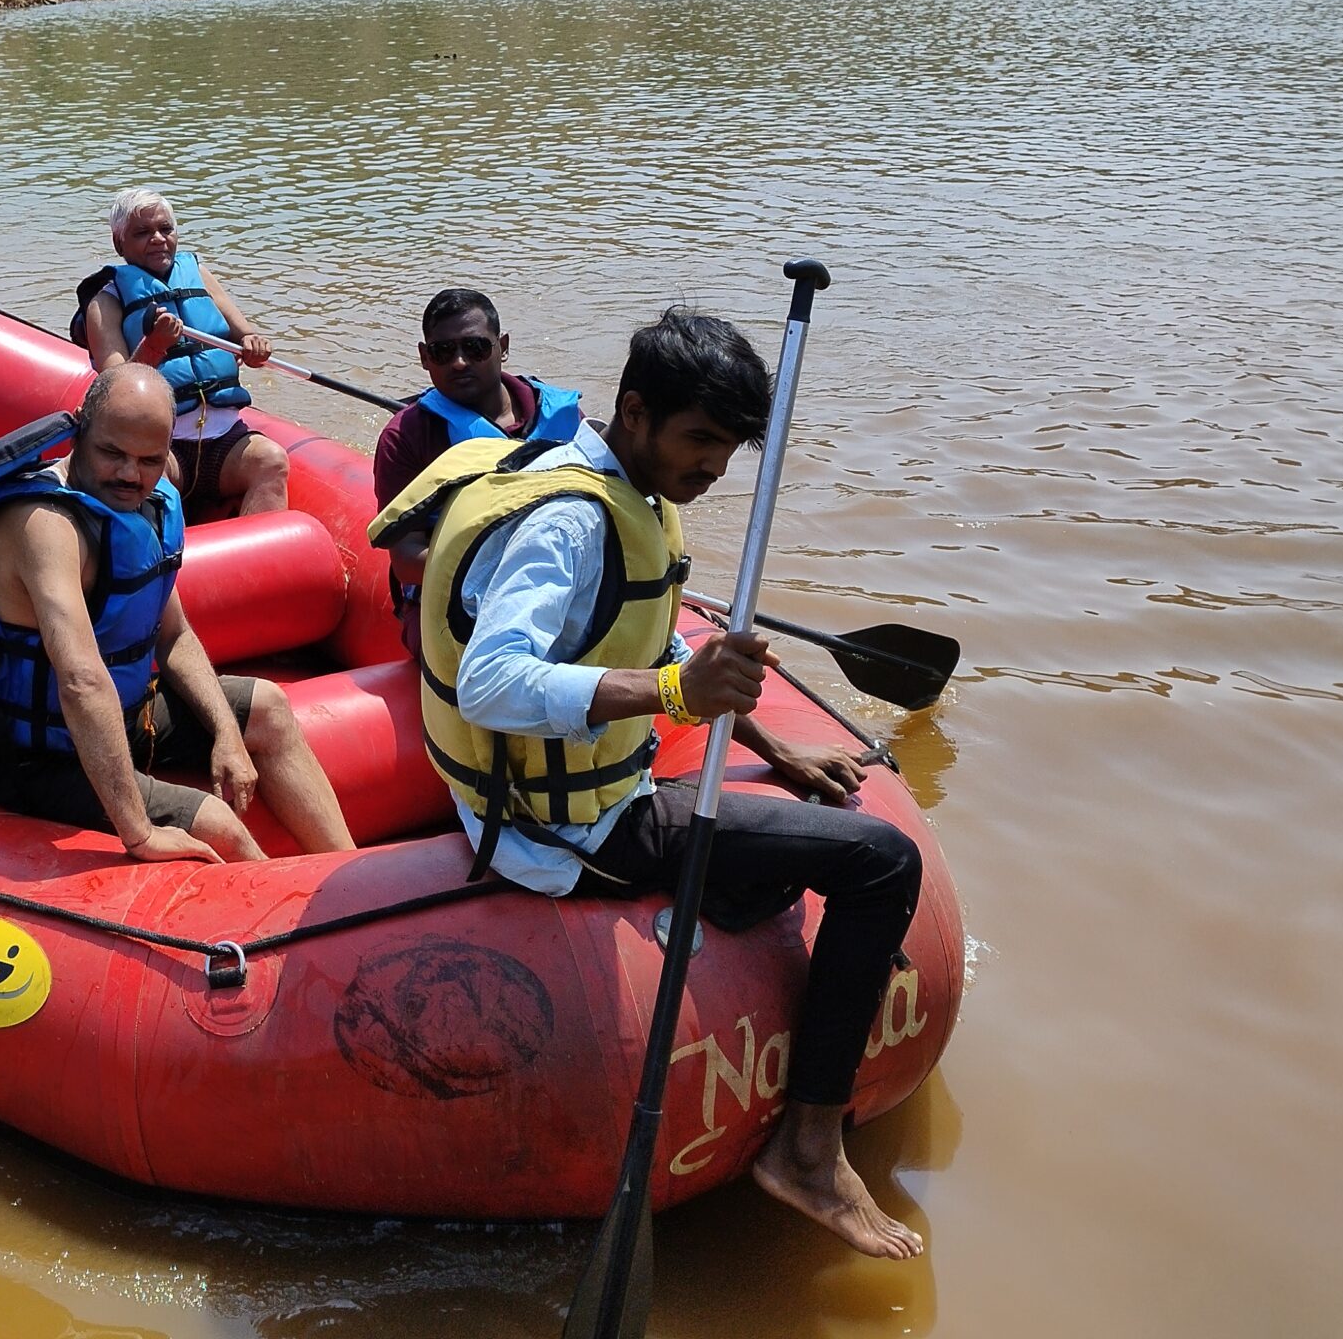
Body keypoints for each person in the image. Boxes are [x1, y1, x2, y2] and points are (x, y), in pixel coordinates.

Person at [366, 307, 926, 1260]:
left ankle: (740, 919)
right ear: (634, 411)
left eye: (730, 449)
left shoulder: (623, 485)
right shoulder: (571, 521)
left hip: (577, 794)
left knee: (797, 833)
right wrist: (674, 690)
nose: (712, 467)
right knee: (882, 863)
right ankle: (810, 1149)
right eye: (699, 440)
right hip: (569, 830)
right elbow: (494, 682)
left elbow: (647, 632)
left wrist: (776, 748)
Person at [0, 363, 354, 864]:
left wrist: (226, 734)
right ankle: (303, 938)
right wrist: (141, 834)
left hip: (125, 715)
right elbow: (81, 681)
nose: (130, 474)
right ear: (79, 432)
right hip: (24, 755)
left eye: (149, 459)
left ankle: (348, 882)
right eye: (112, 453)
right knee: (219, 825)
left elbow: (171, 633)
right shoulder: (44, 526)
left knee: (269, 709)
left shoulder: (149, 502)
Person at [371, 286, 585, 653]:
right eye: (443, 351)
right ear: (424, 357)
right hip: (452, 596)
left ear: (502, 346)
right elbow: (407, 560)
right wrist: (514, 572)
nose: (458, 362)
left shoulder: (568, 420)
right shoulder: (406, 437)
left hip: (562, 582)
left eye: (475, 348)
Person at [79, 189, 290, 520]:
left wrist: (254, 345)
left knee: (272, 460)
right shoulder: (105, 303)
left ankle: (268, 564)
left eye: (166, 229)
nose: (158, 239)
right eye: (143, 233)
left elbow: (245, 334)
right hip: (159, 449)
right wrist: (154, 346)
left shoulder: (198, 274)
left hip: (226, 441)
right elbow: (113, 392)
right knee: (149, 482)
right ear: (120, 244)